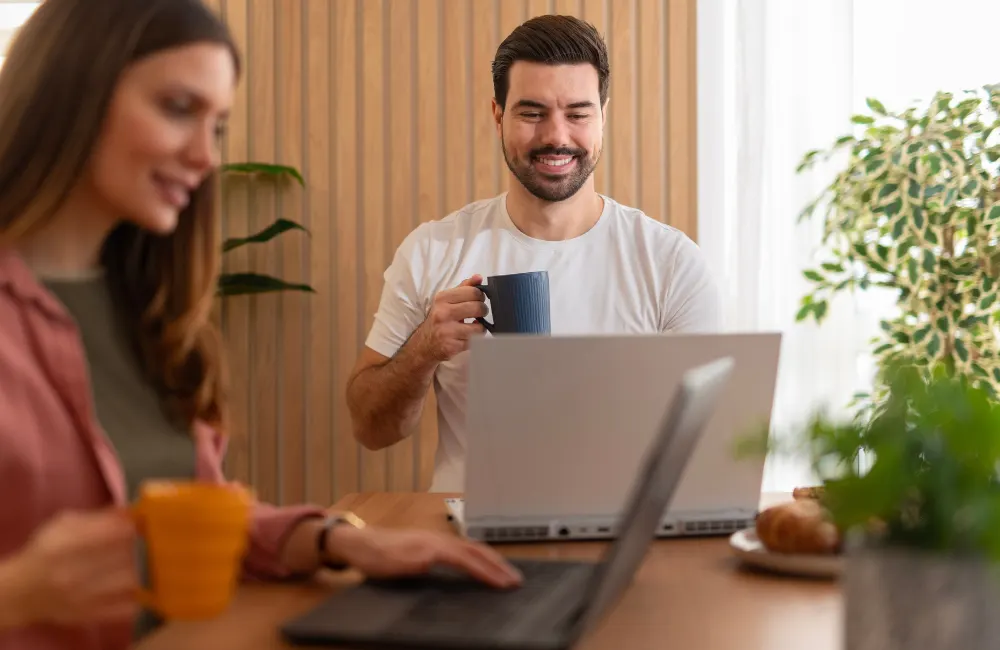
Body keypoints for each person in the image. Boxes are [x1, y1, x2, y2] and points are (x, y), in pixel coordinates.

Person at [0, 1, 521, 648]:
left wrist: (343, 543)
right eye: (176, 108)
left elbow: (202, 517)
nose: (204, 156)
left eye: (217, 127)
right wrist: (18, 590)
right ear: (72, 92)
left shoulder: (154, 313)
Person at [346, 15, 722, 493]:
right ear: (498, 114)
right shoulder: (432, 250)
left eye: (578, 113)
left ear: (603, 114)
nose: (556, 136)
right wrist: (424, 349)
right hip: (471, 543)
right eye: (532, 112)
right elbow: (371, 429)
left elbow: (707, 447)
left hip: (617, 536)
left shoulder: (670, 263)